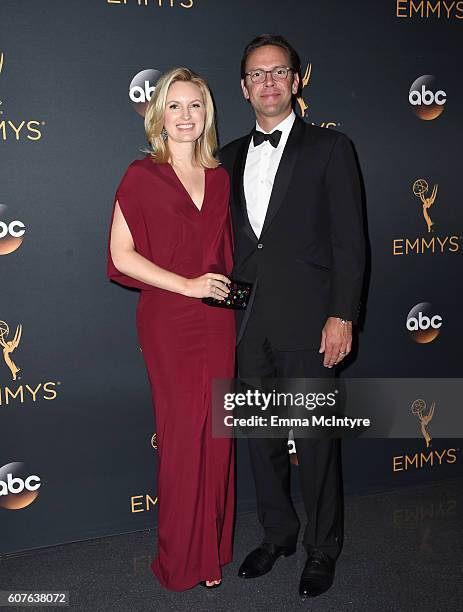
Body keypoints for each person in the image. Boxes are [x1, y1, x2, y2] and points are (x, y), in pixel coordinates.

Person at [220, 34, 365, 599]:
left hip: (311, 322)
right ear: (244, 87)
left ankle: (323, 548)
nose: (269, 82)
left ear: (297, 80)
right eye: (258, 74)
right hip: (246, 326)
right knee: (260, 439)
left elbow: (350, 243)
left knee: (316, 444)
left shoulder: (332, 148)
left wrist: (342, 315)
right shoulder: (229, 155)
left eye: (279, 71)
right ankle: (278, 534)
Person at [107, 67, 235, 591]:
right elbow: (120, 255)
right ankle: (182, 558)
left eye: (196, 105)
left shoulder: (221, 177)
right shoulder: (142, 176)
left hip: (218, 321)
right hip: (169, 318)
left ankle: (212, 551)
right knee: (183, 438)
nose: (186, 116)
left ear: (207, 114)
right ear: (158, 115)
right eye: (175, 106)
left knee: (218, 438)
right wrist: (186, 286)